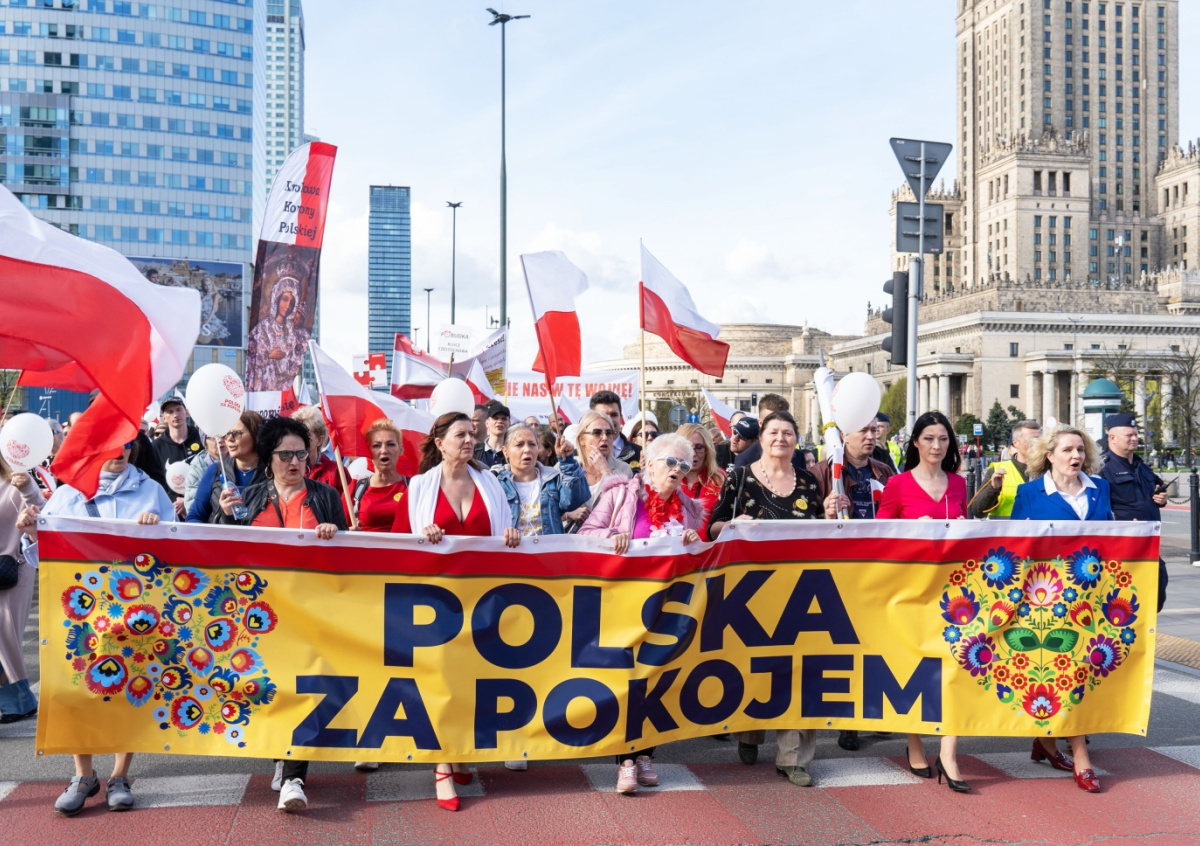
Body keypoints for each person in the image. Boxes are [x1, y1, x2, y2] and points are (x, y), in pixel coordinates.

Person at [16, 438, 175, 815]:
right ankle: (83, 775)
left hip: (135, 611)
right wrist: (33, 532)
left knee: (131, 687)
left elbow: (176, 550)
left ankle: (120, 775)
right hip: (80, 614)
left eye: (126, 444)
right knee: (76, 688)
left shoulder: (152, 491)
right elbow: (42, 559)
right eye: (111, 444)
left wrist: (158, 531)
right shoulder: (67, 494)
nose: (119, 451)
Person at [215, 416, 346, 812]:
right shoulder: (249, 497)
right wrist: (223, 516)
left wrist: (334, 535)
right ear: (268, 458)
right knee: (269, 689)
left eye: (301, 454)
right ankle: (280, 754)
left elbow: (349, 552)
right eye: (285, 455)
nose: (294, 462)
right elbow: (222, 550)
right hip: (260, 615)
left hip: (310, 613)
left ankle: (293, 776)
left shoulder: (326, 496)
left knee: (303, 688)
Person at [391, 411, 519, 811]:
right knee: (438, 681)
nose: (469, 440)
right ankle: (442, 765)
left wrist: (510, 535)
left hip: (481, 601)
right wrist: (421, 536)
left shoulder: (490, 483)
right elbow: (398, 544)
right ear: (439, 442)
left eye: (471, 434)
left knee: (471, 681)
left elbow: (504, 532)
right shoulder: (419, 487)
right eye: (460, 434)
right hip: (434, 604)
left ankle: (459, 751)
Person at [707, 411, 841, 787]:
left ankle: (793, 758)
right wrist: (733, 525)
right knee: (758, 666)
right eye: (773, 432)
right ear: (762, 438)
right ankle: (749, 732)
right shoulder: (739, 477)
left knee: (802, 671)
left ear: (796, 440)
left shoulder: (809, 482)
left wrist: (830, 514)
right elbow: (713, 527)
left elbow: (820, 533)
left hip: (803, 590)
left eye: (788, 433)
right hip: (752, 591)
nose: (780, 438)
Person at [579, 433, 706, 794]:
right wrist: (612, 537)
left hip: (668, 606)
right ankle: (626, 761)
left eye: (684, 465)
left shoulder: (689, 507)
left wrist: (694, 543)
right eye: (670, 462)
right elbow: (586, 534)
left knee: (658, 679)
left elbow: (697, 556)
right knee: (629, 681)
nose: (677, 470)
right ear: (649, 464)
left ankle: (647, 754)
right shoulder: (621, 495)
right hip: (624, 604)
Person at [1010, 425, 1111, 793]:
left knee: (1081, 672)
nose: (1076, 456)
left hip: (1092, 599)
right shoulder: (1029, 493)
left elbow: (1110, 536)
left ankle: (1047, 742)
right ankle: (1081, 756)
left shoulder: (1101, 489)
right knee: (1065, 674)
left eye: (1080, 450)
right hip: (1047, 601)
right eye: (1067, 450)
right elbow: (1015, 546)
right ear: (1049, 455)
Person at [876, 411, 969, 792]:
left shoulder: (959, 484)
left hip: (953, 593)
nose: (936, 446)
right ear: (915, 442)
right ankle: (914, 741)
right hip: (911, 590)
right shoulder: (897, 485)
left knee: (956, 667)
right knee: (915, 668)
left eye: (943, 439)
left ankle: (948, 753)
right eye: (929, 438)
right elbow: (880, 537)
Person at [811, 418, 894, 750]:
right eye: (864, 431)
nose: (871, 437)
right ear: (844, 434)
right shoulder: (823, 472)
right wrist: (825, 513)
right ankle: (848, 720)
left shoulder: (884, 472)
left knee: (878, 644)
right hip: (839, 570)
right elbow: (803, 523)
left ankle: (875, 710)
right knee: (846, 647)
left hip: (877, 568)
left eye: (874, 431)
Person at [1098, 412, 1170, 612]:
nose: (1134, 438)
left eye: (1136, 434)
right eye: (1129, 435)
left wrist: (1161, 499)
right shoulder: (1102, 468)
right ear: (1112, 437)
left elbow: (1157, 490)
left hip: (1148, 545)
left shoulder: (1141, 465)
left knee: (1156, 595)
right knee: (1124, 604)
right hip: (1122, 550)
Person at [0, 456, 44, 723]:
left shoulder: (16, 479)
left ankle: (19, 701)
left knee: (6, 638)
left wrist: (27, 488)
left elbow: (42, 513)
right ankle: (18, 702)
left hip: (13, 568)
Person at [496, 423, 588, 540]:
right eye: (519, 445)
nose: (527, 450)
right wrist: (504, 531)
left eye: (532, 444)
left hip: (549, 550)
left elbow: (574, 501)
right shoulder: (497, 484)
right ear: (505, 451)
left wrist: (568, 461)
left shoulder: (553, 479)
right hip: (511, 550)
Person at [186, 411, 265, 524]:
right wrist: (225, 516)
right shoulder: (215, 471)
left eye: (237, 433)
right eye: (227, 434)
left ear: (256, 434)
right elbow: (194, 517)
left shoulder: (272, 473)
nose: (229, 439)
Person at [246, 277, 310, 392]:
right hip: (264, 387)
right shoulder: (263, 328)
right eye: (285, 299)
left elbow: (297, 360)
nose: (288, 306)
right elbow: (251, 357)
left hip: (285, 388)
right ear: (277, 298)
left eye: (292, 303)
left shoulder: (294, 332)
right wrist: (269, 356)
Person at [968, 420, 1042, 519]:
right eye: (1030, 440)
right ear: (1015, 442)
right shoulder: (997, 470)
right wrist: (993, 489)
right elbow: (978, 511)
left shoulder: (1050, 470)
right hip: (1005, 529)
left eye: (1039, 440)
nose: (1036, 444)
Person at [348, 419, 409, 533]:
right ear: (368, 451)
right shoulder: (355, 489)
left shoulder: (413, 487)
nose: (384, 450)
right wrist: (349, 532)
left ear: (400, 450)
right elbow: (339, 529)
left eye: (390, 444)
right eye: (376, 445)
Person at [151, 397, 203, 518]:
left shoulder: (201, 439)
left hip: (200, 506)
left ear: (186, 412)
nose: (175, 415)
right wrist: (174, 499)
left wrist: (188, 499)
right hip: (170, 509)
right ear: (163, 418)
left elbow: (210, 473)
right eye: (170, 412)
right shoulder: (156, 446)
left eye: (179, 409)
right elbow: (155, 481)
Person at [574, 410, 634, 510]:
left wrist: (606, 471)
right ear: (582, 440)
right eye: (597, 433)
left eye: (609, 433)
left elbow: (625, 508)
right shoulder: (565, 467)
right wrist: (568, 514)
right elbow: (551, 506)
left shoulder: (624, 469)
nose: (605, 438)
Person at [676, 422, 725, 541]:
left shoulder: (721, 479)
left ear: (707, 449)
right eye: (687, 447)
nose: (693, 454)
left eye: (699, 447)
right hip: (677, 549)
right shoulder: (669, 479)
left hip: (711, 550)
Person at [734, 394, 806, 472]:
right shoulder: (745, 460)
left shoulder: (799, 457)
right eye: (772, 422)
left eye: (784, 420)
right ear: (760, 423)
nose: (780, 438)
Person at [292, 406, 345, 496]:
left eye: (306, 437)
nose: (300, 441)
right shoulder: (286, 469)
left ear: (319, 440)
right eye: (296, 436)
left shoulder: (336, 472)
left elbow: (346, 503)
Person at [590, 391, 639, 467]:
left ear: (621, 418)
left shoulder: (638, 452)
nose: (609, 420)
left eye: (614, 415)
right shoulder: (583, 454)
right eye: (604, 415)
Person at [183, 433, 220, 512]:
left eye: (224, 436)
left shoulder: (239, 462)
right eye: (213, 437)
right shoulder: (196, 469)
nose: (219, 440)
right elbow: (192, 507)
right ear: (205, 443)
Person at [474, 404, 510, 468]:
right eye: (495, 418)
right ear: (487, 423)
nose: (500, 421)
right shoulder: (475, 450)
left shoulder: (512, 452)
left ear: (509, 423)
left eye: (504, 419)